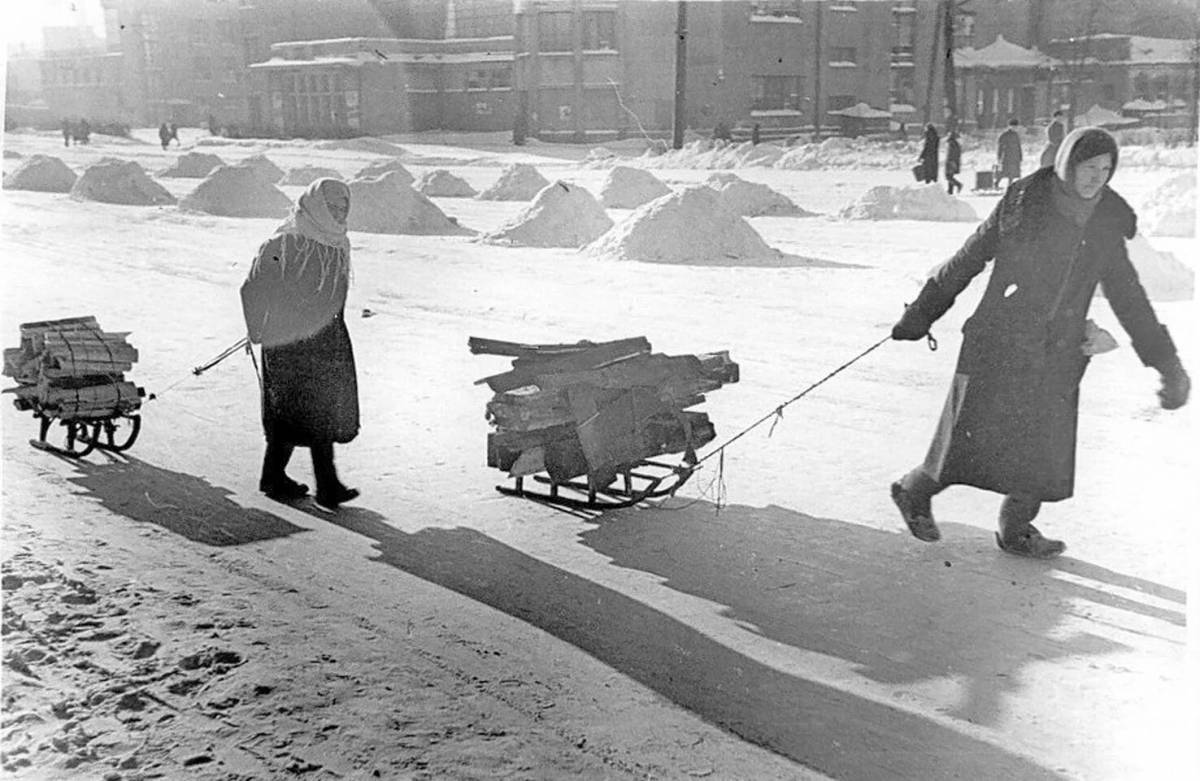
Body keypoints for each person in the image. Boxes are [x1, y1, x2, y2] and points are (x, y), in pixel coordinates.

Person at [888, 127, 1190, 558]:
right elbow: (968, 257)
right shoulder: (1022, 203)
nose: (1097, 179)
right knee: (969, 439)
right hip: (1001, 337)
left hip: (1059, 347)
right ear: (1068, 164)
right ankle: (913, 491)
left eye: (1106, 170)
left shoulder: (1106, 220)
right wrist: (921, 313)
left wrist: (1168, 364)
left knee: (1045, 446)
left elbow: (1130, 298)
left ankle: (1016, 527)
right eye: (1089, 168)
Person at [240, 178, 361, 510]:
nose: (338, 214)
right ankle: (322, 485)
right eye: (331, 207)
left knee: (313, 410)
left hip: (325, 341)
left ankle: (281, 478)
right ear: (315, 205)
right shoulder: (283, 244)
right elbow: (252, 288)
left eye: (343, 208)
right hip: (288, 341)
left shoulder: (338, 243)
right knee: (298, 410)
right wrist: (257, 330)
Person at [996, 117, 1022, 188]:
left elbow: (1018, 146)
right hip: (1007, 156)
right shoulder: (1004, 135)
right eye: (1013, 126)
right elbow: (1000, 147)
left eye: (1016, 127)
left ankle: (1010, 185)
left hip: (1015, 157)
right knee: (1004, 172)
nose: (1014, 128)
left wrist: (1020, 156)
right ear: (1009, 126)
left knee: (1013, 173)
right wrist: (999, 156)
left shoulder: (1016, 135)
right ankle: (996, 183)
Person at [945, 130, 963, 195]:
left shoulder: (951, 143)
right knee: (950, 175)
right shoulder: (955, 143)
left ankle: (958, 184)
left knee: (948, 176)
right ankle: (950, 191)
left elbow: (952, 154)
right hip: (953, 161)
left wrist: (951, 162)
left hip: (951, 161)